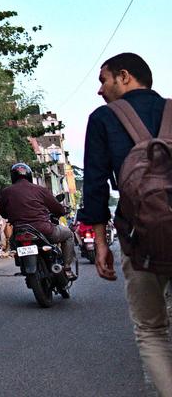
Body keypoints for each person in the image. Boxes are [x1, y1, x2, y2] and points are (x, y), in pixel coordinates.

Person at [77, 53, 171, 396]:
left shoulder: (103, 119)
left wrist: (101, 244)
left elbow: (96, 186)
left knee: (151, 329)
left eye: (104, 80)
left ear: (125, 76)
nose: (100, 91)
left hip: (139, 236)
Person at [0, 163, 75, 279]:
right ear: (29, 175)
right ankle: (67, 268)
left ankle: (24, 264)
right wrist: (61, 212)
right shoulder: (40, 189)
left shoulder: (6, 192)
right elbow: (57, 208)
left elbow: (2, 211)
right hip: (44, 230)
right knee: (69, 234)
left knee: (14, 245)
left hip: (19, 232)